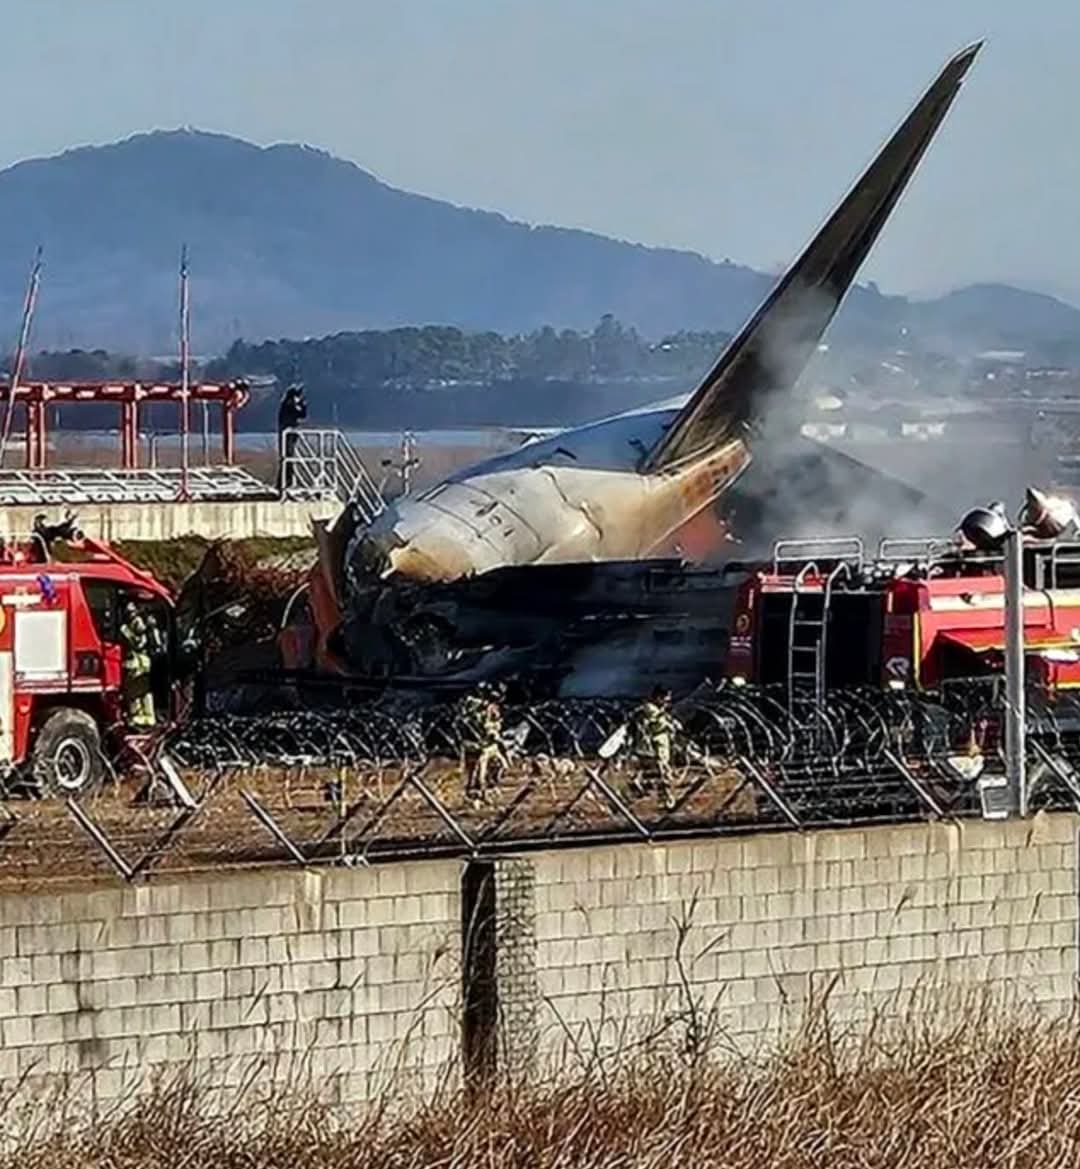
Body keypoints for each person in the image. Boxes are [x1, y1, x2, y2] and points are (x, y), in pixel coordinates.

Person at [634, 685, 680, 809]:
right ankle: (667, 800)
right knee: (661, 774)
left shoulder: (658, 709)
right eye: (666, 697)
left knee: (655, 773)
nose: (668, 700)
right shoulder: (650, 708)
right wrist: (669, 725)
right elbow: (656, 724)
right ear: (658, 697)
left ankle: (640, 789)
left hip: (660, 747)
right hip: (654, 747)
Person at [461, 682, 507, 804]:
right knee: (476, 772)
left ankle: (488, 787)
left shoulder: (492, 708)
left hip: (490, 745)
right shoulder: (474, 705)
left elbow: (495, 723)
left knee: (501, 765)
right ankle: (476, 794)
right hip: (477, 745)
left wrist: (495, 729)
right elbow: (474, 723)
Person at [120, 602, 159, 729]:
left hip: (137, 661)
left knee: (135, 690)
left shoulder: (135, 624)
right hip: (141, 661)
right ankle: (146, 715)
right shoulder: (139, 623)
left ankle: (140, 715)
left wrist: (126, 632)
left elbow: (138, 643)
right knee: (142, 690)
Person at [276, 384, 308, 495]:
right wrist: (300, 405)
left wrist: (303, 406)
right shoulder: (288, 404)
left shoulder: (290, 404)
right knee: (287, 460)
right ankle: (283, 484)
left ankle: (287, 483)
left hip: (291, 434)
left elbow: (302, 415)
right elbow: (297, 413)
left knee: (290, 460)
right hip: (287, 435)